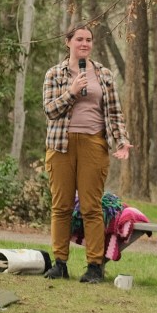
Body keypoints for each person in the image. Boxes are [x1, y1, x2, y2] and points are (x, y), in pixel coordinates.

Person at [40, 25, 131, 283]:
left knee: (92, 207)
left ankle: (94, 266)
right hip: (61, 146)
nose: (84, 43)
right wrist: (70, 92)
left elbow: (114, 113)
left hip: (93, 144)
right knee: (62, 206)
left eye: (88, 40)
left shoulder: (103, 74)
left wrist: (121, 141)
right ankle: (59, 263)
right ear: (67, 42)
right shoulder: (54, 74)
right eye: (79, 39)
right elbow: (49, 110)